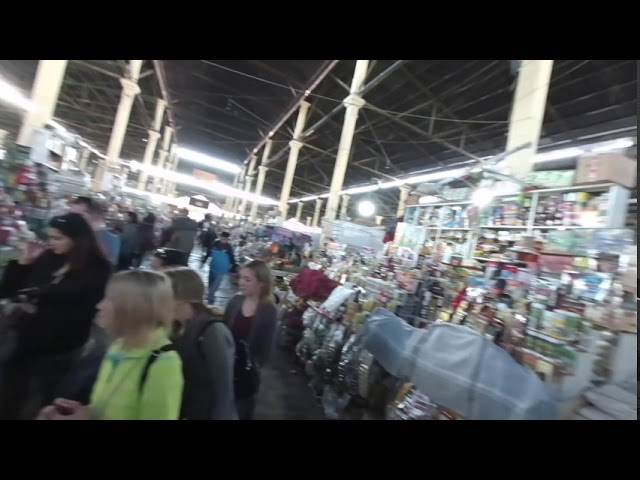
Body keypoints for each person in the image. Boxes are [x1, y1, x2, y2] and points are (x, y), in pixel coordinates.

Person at [0, 213, 112, 420]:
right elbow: (8, 290)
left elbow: (79, 301)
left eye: (58, 238)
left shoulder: (97, 268)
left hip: (60, 347)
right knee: (10, 395)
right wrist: (24, 262)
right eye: (50, 237)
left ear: (77, 239)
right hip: (24, 340)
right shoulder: (49, 258)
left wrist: (36, 299)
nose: (52, 243)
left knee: (48, 398)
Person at [38, 270, 184, 420]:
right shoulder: (118, 347)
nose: (99, 305)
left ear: (131, 308)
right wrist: (83, 412)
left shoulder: (163, 363)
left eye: (109, 299)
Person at [165, 267, 236, 420]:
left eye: (164, 295)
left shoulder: (213, 332)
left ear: (182, 298)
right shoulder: (173, 327)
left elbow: (224, 391)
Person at [223, 260, 278, 420]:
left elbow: (266, 349)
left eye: (247, 280)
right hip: (226, 365)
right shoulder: (235, 301)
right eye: (241, 278)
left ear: (261, 283)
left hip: (246, 374)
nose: (241, 282)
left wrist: (252, 368)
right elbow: (223, 330)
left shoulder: (269, 310)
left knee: (241, 410)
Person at [70, 196, 120, 266]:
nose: (73, 220)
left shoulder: (111, 238)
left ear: (95, 216)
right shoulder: (69, 233)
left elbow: (109, 265)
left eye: (79, 216)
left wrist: (94, 231)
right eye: (71, 215)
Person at [207, 232, 237, 305]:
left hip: (222, 269)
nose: (223, 240)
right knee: (211, 282)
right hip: (213, 266)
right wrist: (205, 259)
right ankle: (211, 294)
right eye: (222, 238)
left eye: (225, 239)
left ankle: (210, 298)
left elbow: (232, 258)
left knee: (216, 284)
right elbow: (209, 252)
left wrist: (233, 269)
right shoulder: (215, 243)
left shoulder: (229, 247)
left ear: (227, 239)